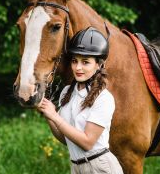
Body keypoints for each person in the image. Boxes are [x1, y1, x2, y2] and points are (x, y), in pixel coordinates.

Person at [37, 26, 123, 174]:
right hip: (76, 167)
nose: (78, 67)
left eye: (85, 62)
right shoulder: (66, 92)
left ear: (99, 65)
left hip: (100, 168)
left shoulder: (104, 98)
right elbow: (66, 139)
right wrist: (48, 115)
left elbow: (87, 142)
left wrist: (55, 116)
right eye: (74, 61)